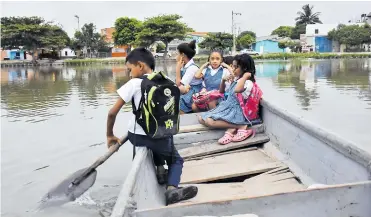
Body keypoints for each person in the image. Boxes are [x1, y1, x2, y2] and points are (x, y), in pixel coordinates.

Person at [106, 47, 198, 205]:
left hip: (137, 137)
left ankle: (160, 171)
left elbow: (112, 113)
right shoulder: (166, 81)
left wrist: (110, 135)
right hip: (160, 137)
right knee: (176, 160)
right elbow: (180, 90)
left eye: (130, 69)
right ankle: (171, 188)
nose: (129, 73)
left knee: (156, 144)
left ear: (140, 66)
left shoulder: (134, 84)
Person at [198, 54, 256, 145]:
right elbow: (221, 92)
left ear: (244, 69)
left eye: (236, 67)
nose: (233, 69)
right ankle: (234, 127)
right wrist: (223, 81)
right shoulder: (237, 79)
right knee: (201, 118)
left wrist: (245, 77)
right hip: (227, 106)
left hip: (237, 111)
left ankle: (240, 125)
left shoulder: (247, 82)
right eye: (232, 66)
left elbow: (237, 90)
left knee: (209, 121)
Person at [175, 40, 203, 114]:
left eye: (177, 53)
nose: (176, 56)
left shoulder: (192, 68)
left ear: (182, 55)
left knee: (177, 103)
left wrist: (177, 69)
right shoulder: (184, 66)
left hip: (193, 92)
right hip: (186, 90)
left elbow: (179, 85)